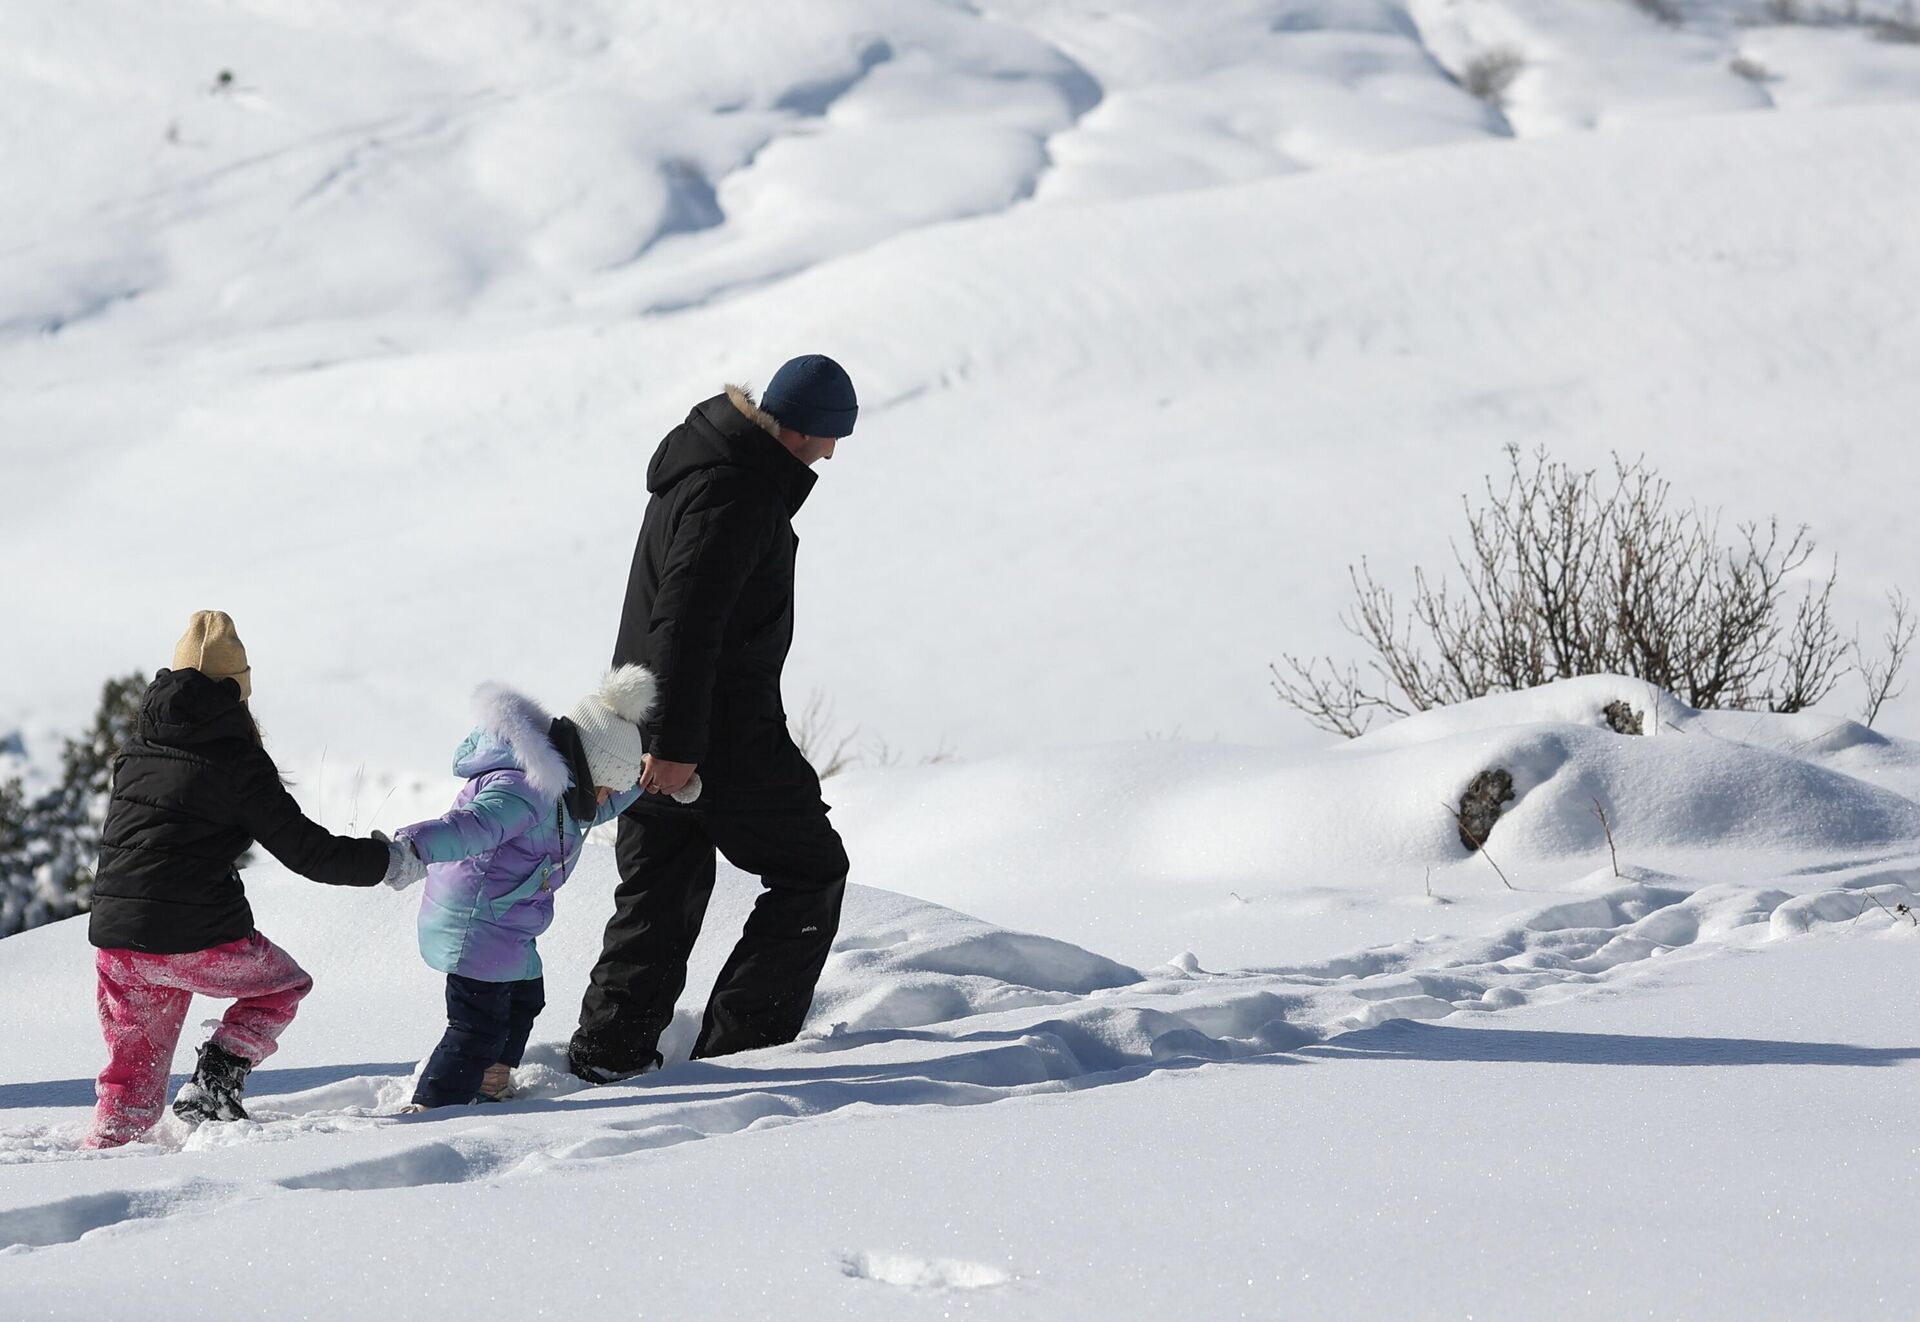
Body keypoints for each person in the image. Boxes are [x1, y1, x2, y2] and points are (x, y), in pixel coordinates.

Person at [569, 355, 858, 1082]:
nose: (828, 455)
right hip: (713, 736)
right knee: (811, 871)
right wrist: (675, 746)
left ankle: (609, 1058)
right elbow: (687, 626)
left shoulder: (707, 471)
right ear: (805, 431)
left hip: (656, 727)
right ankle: (741, 1057)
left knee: (658, 895)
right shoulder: (737, 490)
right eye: (830, 439)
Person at [84, 611, 421, 1148]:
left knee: (130, 1082)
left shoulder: (137, 751)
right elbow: (307, 852)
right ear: (238, 691)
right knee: (281, 987)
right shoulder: (237, 762)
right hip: (196, 938)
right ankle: (213, 1086)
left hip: (119, 945)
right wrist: (388, 863)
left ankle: (106, 1166)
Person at [392, 666, 656, 1109]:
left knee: (525, 1001)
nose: (606, 798)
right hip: (474, 923)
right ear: (590, 770)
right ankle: (434, 1108)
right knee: (477, 1026)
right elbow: (470, 827)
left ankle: (489, 1081)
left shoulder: (568, 798)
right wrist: (410, 851)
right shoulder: (523, 790)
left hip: (507, 925)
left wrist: (645, 785)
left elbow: (600, 809)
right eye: (607, 787)